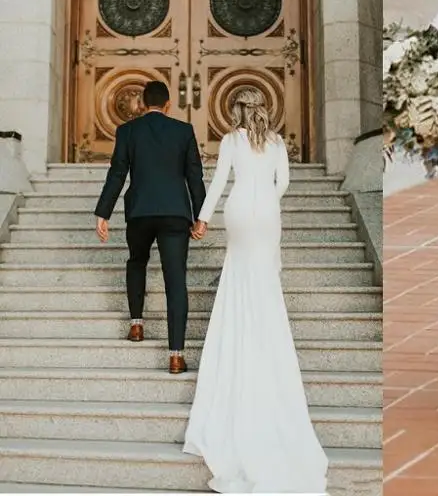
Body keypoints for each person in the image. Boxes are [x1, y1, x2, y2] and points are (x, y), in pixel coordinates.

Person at [183, 88, 327, 494]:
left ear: (237, 111)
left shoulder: (231, 141)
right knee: (263, 277)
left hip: (238, 211)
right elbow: (285, 182)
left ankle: (241, 333)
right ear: (263, 109)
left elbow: (217, 184)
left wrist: (203, 219)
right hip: (267, 211)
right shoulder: (278, 142)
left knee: (239, 272)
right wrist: (267, 199)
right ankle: (263, 332)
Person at [93, 80, 206, 376]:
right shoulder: (184, 131)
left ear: (143, 104)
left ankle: (137, 325)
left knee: (137, 261)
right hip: (175, 213)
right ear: (168, 104)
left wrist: (103, 212)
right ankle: (176, 356)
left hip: (140, 211)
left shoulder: (128, 131)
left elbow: (117, 173)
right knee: (175, 279)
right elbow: (195, 176)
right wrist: (201, 215)